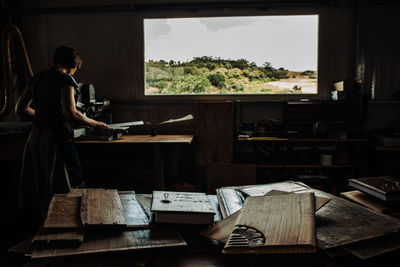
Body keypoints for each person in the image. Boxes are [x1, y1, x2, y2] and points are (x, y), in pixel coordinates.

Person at [15, 45, 108, 220]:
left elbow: (20, 109)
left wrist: (43, 117)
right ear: (73, 65)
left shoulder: (38, 77)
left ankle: (44, 222)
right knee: (66, 181)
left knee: (41, 181)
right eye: (76, 69)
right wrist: (95, 123)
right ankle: (65, 223)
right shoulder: (65, 79)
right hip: (56, 139)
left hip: (36, 138)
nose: (75, 73)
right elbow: (71, 113)